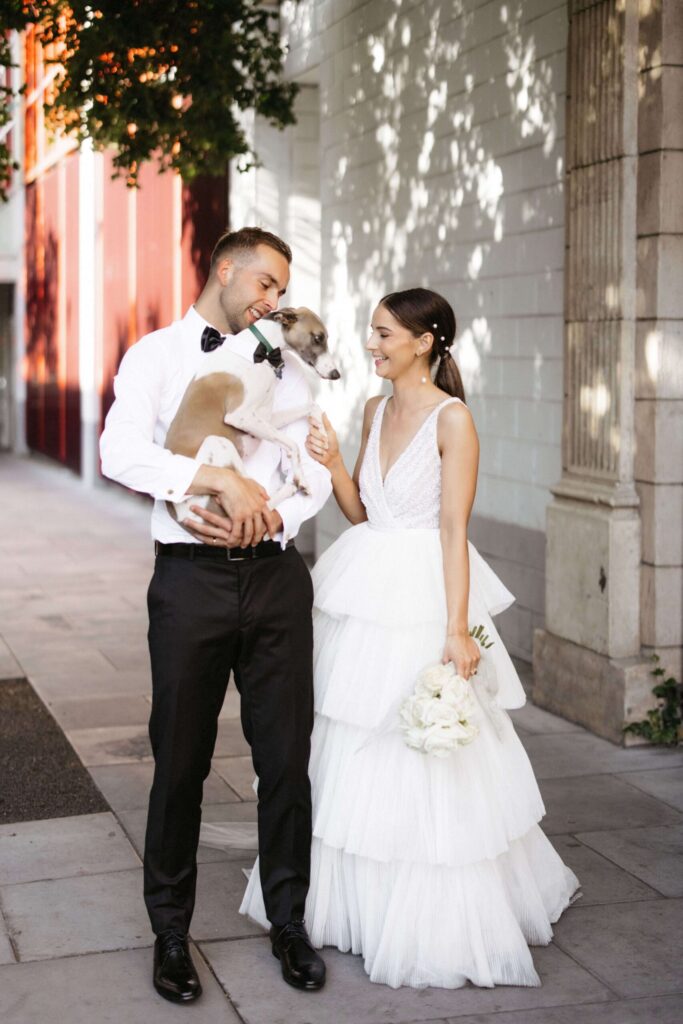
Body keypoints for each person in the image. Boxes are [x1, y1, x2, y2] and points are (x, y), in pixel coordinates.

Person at [237, 286, 580, 989]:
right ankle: (352, 906)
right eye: (372, 331)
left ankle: (430, 917)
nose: (371, 343)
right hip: (367, 583)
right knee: (353, 740)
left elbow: (453, 529)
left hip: (426, 594)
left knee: (422, 751)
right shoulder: (372, 409)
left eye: (384, 333)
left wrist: (457, 630)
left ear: (424, 342)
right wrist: (332, 462)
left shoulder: (454, 420)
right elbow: (365, 514)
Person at [99, 227, 331, 1002]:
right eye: (264, 283)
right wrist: (209, 479)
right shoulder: (156, 355)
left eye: (280, 290)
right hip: (188, 584)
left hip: (274, 582)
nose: (274, 300)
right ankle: (170, 932)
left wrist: (277, 516)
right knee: (180, 765)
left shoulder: (288, 363)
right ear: (224, 270)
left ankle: (288, 924)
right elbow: (118, 452)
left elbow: (316, 470)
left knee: (285, 764)